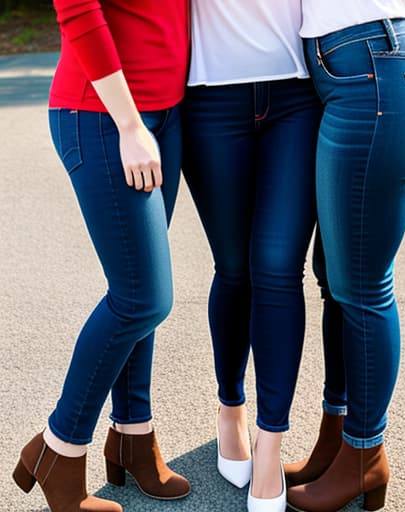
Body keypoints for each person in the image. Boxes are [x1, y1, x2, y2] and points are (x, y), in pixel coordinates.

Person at [12, 1, 191, 510]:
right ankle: (58, 448)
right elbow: (78, 12)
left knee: (139, 288)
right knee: (141, 298)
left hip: (167, 113)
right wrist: (130, 125)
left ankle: (133, 435)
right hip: (103, 115)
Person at [285, 1, 405, 511]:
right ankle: (337, 437)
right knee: (333, 273)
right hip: (367, 64)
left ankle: (365, 454)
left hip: (373, 70)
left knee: (361, 285)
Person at [181, 1, 321, 510]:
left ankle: (271, 443)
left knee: (280, 267)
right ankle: (230, 410)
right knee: (234, 269)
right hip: (208, 97)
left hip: (298, 93)